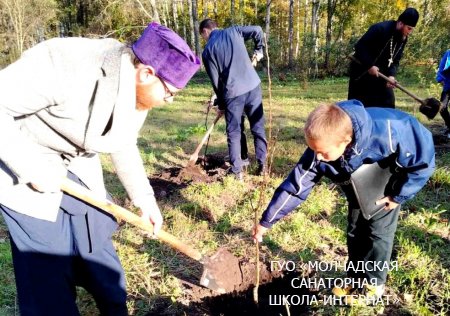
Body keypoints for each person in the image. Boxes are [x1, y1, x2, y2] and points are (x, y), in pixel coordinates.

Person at [0, 22, 200, 315]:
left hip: (77, 168)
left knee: (102, 263)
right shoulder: (63, 63)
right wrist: (31, 166)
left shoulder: (136, 92)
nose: (169, 101)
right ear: (146, 74)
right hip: (23, 167)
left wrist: (144, 199)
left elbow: (123, 141)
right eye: (170, 92)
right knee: (47, 276)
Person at [253, 100, 435, 302]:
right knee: (355, 228)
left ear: (346, 141)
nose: (318, 158)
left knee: (378, 232)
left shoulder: (391, 132)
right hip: (359, 182)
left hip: (389, 181)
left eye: (323, 152)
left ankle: (373, 286)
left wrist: (398, 195)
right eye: (314, 151)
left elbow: (424, 161)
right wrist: (266, 222)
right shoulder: (322, 147)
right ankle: (356, 279)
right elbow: (296, 187)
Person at [199, 18, 267, 180]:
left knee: (234, 132)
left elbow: (217, 83)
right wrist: (259, 50)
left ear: (205, 32)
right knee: (258, 127)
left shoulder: (207, 51)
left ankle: (237, 171)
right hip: (253, 86)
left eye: (202, 36)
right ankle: (262, 166)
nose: (204, 39)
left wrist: (221, 104)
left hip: (233, 94)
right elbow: (257, 28)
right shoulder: (233, 31)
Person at [348, 8, 419, 108]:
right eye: (409, 28)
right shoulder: (380, 28)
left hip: (382, 76)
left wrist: (391, 75)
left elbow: (395, 60)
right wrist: (370, 65)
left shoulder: (403, 38)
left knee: (388, 104)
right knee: (361, 108)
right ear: (400, 23)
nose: (410, 32)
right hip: (362, 74)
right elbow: (359, 46)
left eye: (412, 29)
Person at [436, 49, 450, 137]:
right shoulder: (448, 53)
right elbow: (441, 67)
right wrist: (440, 79)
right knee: (442, 108)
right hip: (448, 86)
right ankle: (449, 126)